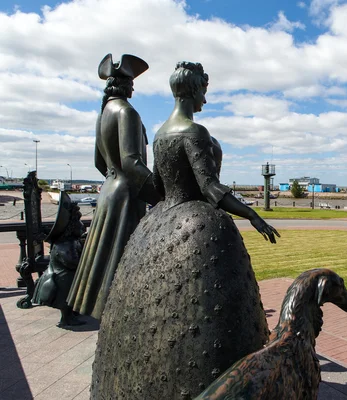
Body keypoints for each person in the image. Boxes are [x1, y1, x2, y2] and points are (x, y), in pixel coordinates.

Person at [91, 62, 279, 399]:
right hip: (197, 224)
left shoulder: (163, 132)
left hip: (160, 219)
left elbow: (159, 184)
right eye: (204, 89)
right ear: (194, 90)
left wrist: (165, 208)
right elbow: (211, 189)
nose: (205, 97)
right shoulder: (195, 132)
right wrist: (252, 215)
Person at [67, 54, 161, 320]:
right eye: (132, 82)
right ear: (125, 84)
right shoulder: (126, 112)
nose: (133, 88)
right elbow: (132, 163)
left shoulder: (103, 115)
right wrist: (163, 194)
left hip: (109, 190)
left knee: (104, 266)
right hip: (125, 196)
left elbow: (99, 162)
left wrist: (114, 179)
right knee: (123, 266)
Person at [32, 192, 85, 327]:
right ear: (72, 227)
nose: (82, 226)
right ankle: (66, 318)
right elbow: (71, 262)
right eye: (79, 223)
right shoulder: (64, 244)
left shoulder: (71, 241)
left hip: (64, 275)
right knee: (67, 289)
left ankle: (72, 312)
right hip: (60, 279)